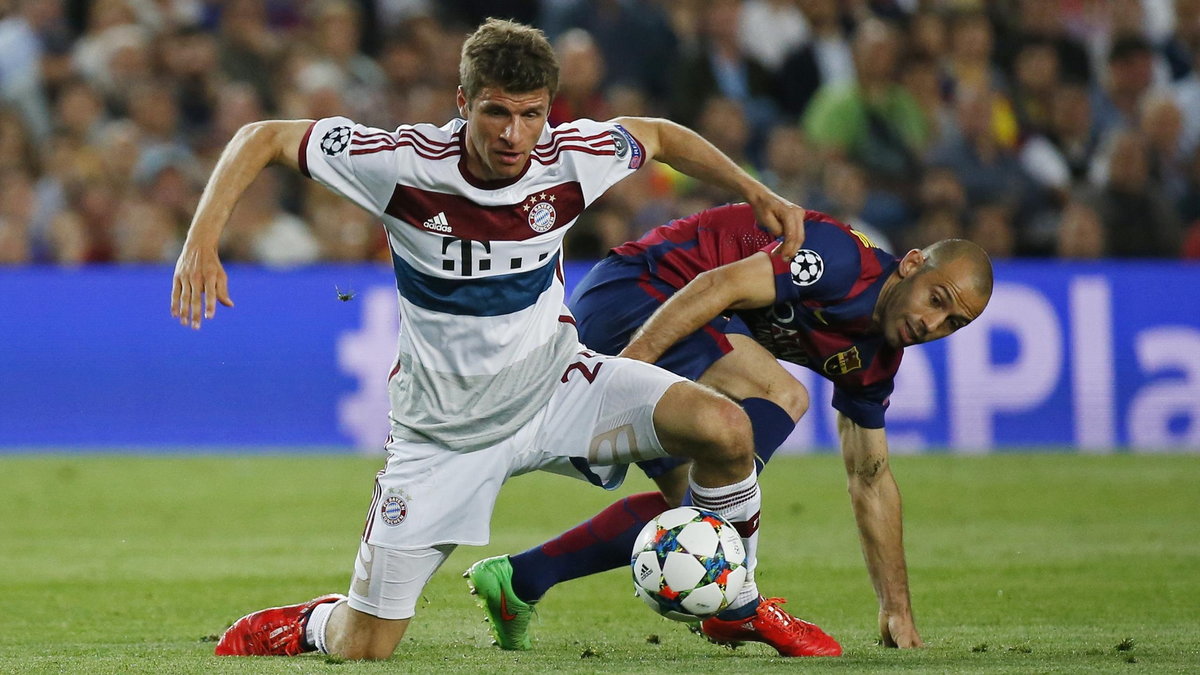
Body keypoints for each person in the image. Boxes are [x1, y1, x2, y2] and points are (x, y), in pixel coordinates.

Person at [169, 19, 829, 660]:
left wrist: (753, 189)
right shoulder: (402, 163)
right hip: (443, 434)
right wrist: (201, 239)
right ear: (463, 103)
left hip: (557, 385)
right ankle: (315, 623)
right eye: (495, 113)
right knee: (365, 646)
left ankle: (735, 602)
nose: (514, 134)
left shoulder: (570, 158)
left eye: (530, 114)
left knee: (725, 429)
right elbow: (262, 136)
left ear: (549, 110)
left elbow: (655, 135)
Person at [465, 204, 993, 654]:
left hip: (682, 330)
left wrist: (896, 610)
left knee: (693, 515)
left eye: (952, 323)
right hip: (641, 291)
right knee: (781, 394)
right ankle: (741, 602)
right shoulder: (839, 261)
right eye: (937, 299)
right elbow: (715, 284)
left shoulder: (876, 359)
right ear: (912, 264)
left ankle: (520, 579)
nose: (931, 323)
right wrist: (620, 376)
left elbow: (871, 476)